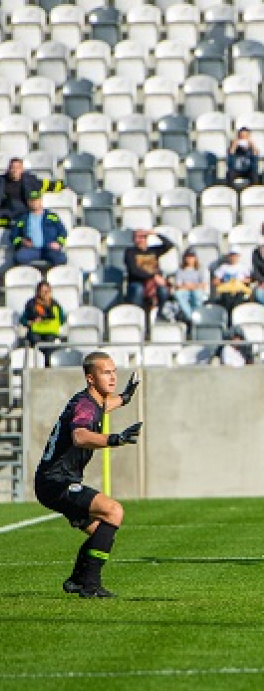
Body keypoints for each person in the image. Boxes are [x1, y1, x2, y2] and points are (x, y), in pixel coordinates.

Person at [34, 352, 142, 598]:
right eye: (106, 373)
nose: (112, 377)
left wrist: (125, 397)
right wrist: (115, 439)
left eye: (114, 371)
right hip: (56, 481)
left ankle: (76, 580)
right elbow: (80, 436)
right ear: (90, 378)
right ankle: (91, 586)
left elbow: (106, 405)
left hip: (55, 480)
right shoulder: (84, 406)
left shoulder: (91, 401)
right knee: (114, 511)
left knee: (100, 532)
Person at [0, 158, 63, 222]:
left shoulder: (30, 180)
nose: (15, 170)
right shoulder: (2, 180)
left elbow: (44, 185)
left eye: (17, 168)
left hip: (25, 211)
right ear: (8, 169)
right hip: (6, 211)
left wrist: (62, 186)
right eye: (12, 167)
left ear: (22, 169)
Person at [12, 194, 68, 266]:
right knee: (19, 257)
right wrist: (22, 241)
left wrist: (58, 243)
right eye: (31, 201)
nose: (34, 203)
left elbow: (62, 232)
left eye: (36, 200)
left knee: (61, 259)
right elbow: (13, 236)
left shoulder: (52, 216)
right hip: (31, 249)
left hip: (49, 248)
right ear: (28, 202)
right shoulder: (22, 218)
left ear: (41, 201)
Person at [124, 229, 174, 310]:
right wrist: (153, 277)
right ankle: (137, 311)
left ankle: (160, 312)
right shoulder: (130, 252)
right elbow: (134, 271)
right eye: (135, 238)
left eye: (140, 237)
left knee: (163, 290)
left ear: (146, 238)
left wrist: (155, 233)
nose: (137, 240)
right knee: (138, 289)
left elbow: (169, 245)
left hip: (154, 283)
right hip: (138, 282)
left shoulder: (153, 251)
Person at [173, 249, 209, 323]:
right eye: (188, 257)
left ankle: (195, 315)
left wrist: (189, 286)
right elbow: (178, 285)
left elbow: (203, 284)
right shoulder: (181, 270)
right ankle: (191, 317)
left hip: (197, 290)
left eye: (192, 257)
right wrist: (192, 286)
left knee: (197, 294)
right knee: (178, 294)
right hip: (185, 291)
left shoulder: (201, 269)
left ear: (195, 258)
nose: (190, 259)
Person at [212, 248, 252, 312]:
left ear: (238, 256)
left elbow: (249, 279)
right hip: (227, 289)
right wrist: (224, 283)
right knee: (226, 299)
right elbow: (215, 281)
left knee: (238, 299)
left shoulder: (243, 267)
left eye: (235, 256)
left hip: (239, 289)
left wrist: (241, 281)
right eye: (232, 255)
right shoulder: (224, 267)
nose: (234, 257)